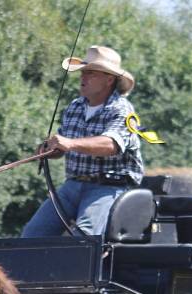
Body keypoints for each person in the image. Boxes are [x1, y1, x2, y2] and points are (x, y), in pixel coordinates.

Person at [22, 45, 143, 237]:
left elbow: (111, 145)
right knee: (33, 234)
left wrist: (69, 143)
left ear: (109, 79)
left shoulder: (122, 110)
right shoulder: (75, 107)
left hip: (108, 187)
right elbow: (63, 146)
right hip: (72, 185)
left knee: (84, 237)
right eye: (83, 72)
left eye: (91, 73)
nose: (83, 77)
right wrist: (50, 149)